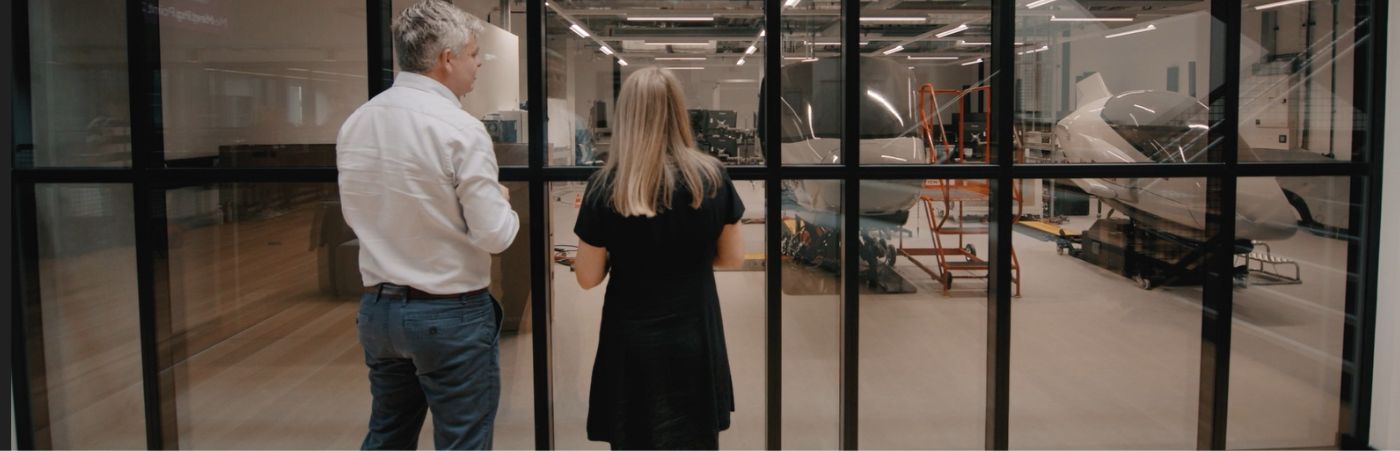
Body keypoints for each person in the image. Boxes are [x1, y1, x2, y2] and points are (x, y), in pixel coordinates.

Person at [336, 1, 518, 449]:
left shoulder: (358, 122)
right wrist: (501, 201)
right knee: (462, 440)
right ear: (447, 59)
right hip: (448, 314)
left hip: (379, 313)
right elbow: (495, 234)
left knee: (388, 435)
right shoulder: (460, 127)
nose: (479, 64)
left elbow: (359, 212)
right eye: (475, 53)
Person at [572, 67, 747, 450]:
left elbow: (587, 277)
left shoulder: (605, 185)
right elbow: (734, 258)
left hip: (630, 341)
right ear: (678, 112)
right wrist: (689, 259)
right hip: (694, 334)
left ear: (627, 116)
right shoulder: (712, 177)